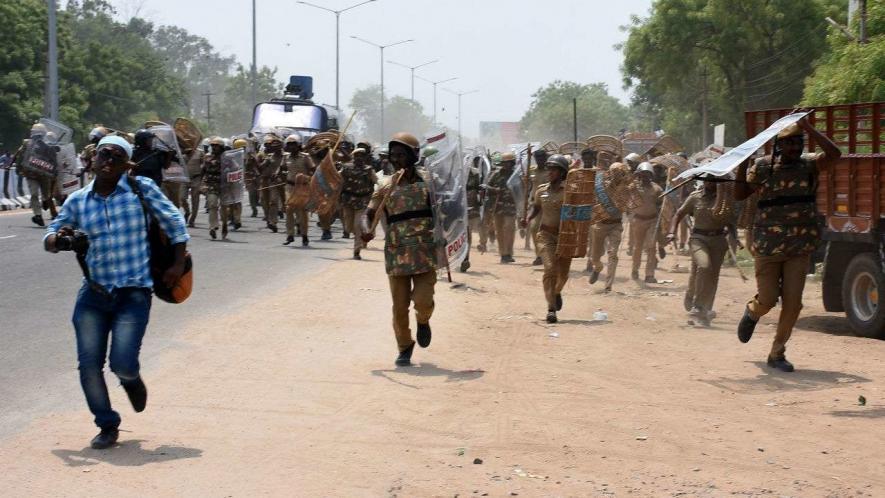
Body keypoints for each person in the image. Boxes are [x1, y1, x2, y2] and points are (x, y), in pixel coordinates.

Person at [43, 135, 189, 449]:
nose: (108, 161)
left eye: (116, 157)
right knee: (89, 365)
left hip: (133, 293)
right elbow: (50, 236)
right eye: (103, 155)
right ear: (91, 159)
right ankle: (107, 424)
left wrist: (177, 263)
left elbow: (176, 223)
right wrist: (60, 239)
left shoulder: (142, 190)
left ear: (126, 165)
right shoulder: (78, 200)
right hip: (93, 294)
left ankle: (131, 380)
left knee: (122, 363)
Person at [734, 118, 841, 372]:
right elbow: (739, 195)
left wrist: (808, 127)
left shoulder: (810, 165)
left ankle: (777, 353)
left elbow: (835, 154)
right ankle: (752, 312)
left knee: (794, 304)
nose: (795, 148)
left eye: (798, 142)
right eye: (789, 144)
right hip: (768, 247)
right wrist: (742, 165)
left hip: (799, 247)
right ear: (779, 146)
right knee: (768, 299)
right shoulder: (762, 167)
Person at [363, 132, 437, 367]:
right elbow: (369, 214)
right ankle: (404, 346)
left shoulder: (429, 182)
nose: (396, 160)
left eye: (401, 155)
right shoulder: (385, 185)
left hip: (425, 251)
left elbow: (446, 211)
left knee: (423, 300)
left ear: (414, 156)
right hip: (397, 252)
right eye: (393, 155)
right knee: (399, 306)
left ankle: (423, 321)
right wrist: (367, 230)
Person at [667, 176, 729, 326]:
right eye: (707, 180)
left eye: (714, 181)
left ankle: (706, 309)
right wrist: (672, 231)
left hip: (718, 240)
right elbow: (679, 214)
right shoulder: (695, 197)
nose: (710, 183)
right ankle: (697, 305)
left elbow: (730, 219)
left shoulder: (725, 199)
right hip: (698, 238)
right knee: (703, 266)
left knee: (712, 276)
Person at [522, 154, 571, 323]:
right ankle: (551, 308)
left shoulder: (570, 191)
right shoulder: (541, 190)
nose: (550, 172)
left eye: (554, 169)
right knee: (550, 269)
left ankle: (556, 292)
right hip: (545, 235)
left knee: (563, 275)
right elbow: (536, 208)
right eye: (549, 169)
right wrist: (528, 218)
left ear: (562, 172)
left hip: (565, 237)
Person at [588, 162, 632, 292]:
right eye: (614, 173)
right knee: (595, 257)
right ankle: (597, 268)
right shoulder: (601, 186)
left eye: (619, 173)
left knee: (613, 254)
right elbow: (594, 200)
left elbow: (626, 205)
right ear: (610, 173)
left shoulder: (626, 188)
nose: (616, 175)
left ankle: (608, 285)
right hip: (600, 224)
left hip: (616, 225)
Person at [339, 147, 376, 259]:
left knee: (357, 226)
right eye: (357, 155)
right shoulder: (346, 168)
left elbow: (377, 182)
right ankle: (360, 237)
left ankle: (356, 251)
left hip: (362, 201)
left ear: (365, 157)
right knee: (348, 227)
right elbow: (336, 178)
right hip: (348, 201)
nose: (359, 158)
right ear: (353, 157)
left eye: (361, 155)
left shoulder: (369, 170)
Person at [630, 162, 663, 283]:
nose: (645, 177)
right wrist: (633, 177)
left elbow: (661, 204)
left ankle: (649, 274)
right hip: (638, 220)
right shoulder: (634, 186)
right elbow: (624, 189)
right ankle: (635, 269)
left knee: (651, 247)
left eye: (648, 174)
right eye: (643, 174)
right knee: (637, 247)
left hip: (652, 220)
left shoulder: (657, 189)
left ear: (651, 175)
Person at [282, 134, 315, 246]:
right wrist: (278, 175)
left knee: (302, 212)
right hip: (290, 187)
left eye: (293, 144)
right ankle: (290, 235)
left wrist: (307, 177)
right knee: (289, 209)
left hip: (303, 187)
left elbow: (312, 170)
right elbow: (282, 169)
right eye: (289, 144)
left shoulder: (305, 157)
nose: (291, 147)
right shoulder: (285, 157)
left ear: (298, 145)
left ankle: (304, 235)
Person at [485, 152, 518, 263]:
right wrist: (495, 190)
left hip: (511, 206)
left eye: (508, 163)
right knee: (499, 231)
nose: (506, 165)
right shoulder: (496, 174)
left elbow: (522, 189)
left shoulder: (516, 175)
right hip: (497, 206)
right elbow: (487, 186)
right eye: (504, 163)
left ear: (512, 163)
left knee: (509, 229)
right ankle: (503, 254)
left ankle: (509, 252)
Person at [201, 137, 228, 240]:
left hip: (224, 185)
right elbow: (203, 171)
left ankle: (224, 224)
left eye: (216, 145)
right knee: (212, 205)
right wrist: (201, 184)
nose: (214, 147)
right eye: (212, 145)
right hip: (211, 184)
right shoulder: (207, 157)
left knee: (224, 208)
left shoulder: (227, 158)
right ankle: (213, 226)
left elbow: (235, 170)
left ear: (221, 147)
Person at [527, 148, 550, 266]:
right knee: (534, 228)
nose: (540, 161)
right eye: (538, 159)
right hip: (536, 204)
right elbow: (528, 185)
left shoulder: (551, 171)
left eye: (542, 158)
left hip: (550, 204)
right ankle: (539, 255)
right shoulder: (531, 171)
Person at [258, 135, 283, 233]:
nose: (275, 147)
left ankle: (274, 222)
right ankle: (270, 220)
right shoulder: (269, 157)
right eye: (273, 146)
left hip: (282, 183)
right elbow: (260, 168)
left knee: (275, 202)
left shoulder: (286, 156)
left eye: (277, 145)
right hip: (268, 181)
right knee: (267, 201)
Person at [462, 157, 483, 272]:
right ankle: (459, 257)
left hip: (470, 207)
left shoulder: (475, 174)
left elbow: (478, 189)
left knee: (467, 234)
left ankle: (465, 258)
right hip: (458, 209)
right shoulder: (456, 175)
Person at [182, 143, 204, 228]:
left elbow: (204, 165)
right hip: (184, 178)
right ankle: (187, 211)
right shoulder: (181, 152)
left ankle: (192, 220)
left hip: (196, 178)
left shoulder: (200, 152)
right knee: (182, 198)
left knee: (195, 200)